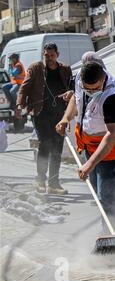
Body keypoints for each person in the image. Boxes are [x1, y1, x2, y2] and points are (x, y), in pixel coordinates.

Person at [56, 62, 115, 233]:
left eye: (94, 89)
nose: (91, 92)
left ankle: (111, 235)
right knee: (98, 192)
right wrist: (66, 118)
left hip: (113, 148)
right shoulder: (80, 78)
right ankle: (109, 229)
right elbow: (76, 98)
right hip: (91, 145)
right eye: (88, 88)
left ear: (103, 78)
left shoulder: (113, 96)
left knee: (107, 196)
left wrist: (89, 164)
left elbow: (112, 134)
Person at [17, 43, 73, 194]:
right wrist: (19, 105)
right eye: (46, 55)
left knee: (57, 148)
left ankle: (54, 183)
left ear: (57, 54)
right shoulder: (35, 68)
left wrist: (71, 94)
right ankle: (40, 179)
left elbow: (72, 87)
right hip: (40, 113)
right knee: (45, 144)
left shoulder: (66, 70)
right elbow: (24, 87)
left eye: (52, 55)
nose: (49, 58)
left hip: (59, 114)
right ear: (43, 55)